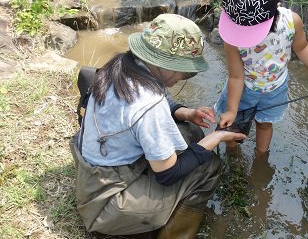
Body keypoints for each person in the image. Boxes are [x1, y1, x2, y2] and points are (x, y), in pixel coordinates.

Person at [69, 13, 246, 237]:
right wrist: (215, 138)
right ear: (163, 65)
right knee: (208, 165)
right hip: (107, 204)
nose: (184, 77)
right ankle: (171, 233)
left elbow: (154, 104)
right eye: (184, 71)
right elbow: (168, 175)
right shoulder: (149, 104)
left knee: (189, 131)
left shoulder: (122, 65)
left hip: (93, 174)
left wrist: (186, 112)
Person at [215, 0, 308, 155]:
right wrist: (232, 110)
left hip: (275, 89)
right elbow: (236, 77)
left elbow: (303, 48)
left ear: (277, 6)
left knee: (265, 125)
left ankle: (261, 156)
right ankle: (233, 155)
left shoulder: (292, 21)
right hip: (243, 90)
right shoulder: (233, 39)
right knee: (232, 126)